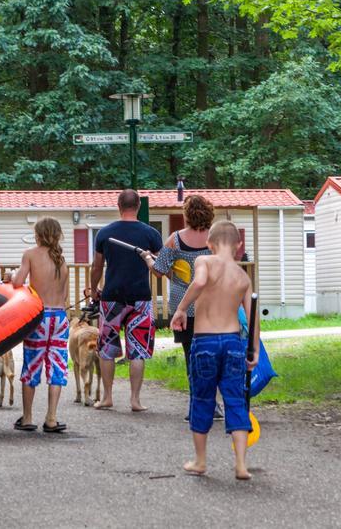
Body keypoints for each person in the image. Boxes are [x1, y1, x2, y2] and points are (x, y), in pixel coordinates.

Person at [170, 220, 259, 481]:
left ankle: (200, 461)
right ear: (238, 245)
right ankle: (241, 465)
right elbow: (253, 317)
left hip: (205, 341)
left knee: (202, 398)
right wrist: (252, 349)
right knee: (235, 399)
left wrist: (182, 308)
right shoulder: (243, 277)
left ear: (209, 243)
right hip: (232, 342)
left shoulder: (205, 262)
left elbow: (198, 283)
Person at [143, 194, 222, 420]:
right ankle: (214, 404)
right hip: (211, 304)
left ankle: (196, 404)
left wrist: (148, 259)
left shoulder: (175, 240)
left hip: (183, 307)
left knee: (191, 355)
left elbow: (159, 269)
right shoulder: (215, 239)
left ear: (187, 214)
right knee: (212, 354)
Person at [86, 189, 162, 412]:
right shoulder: (150, 234)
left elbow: (97, 266)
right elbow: (159, 265)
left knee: (107, 348)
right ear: (138, 206)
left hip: (111, 299)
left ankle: (107, 397)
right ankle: (135, 400)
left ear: (118, 205)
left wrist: (93, 290)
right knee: (137, 350)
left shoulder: (105, 234)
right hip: (141, 298)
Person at [12, 217, 70, 433]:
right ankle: (52, 418)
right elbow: (64, 296)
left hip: (39, 319)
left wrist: (11, 276)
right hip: (60, 319)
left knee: (32, 366)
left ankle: (27, 418)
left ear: (38, 235)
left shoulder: (30, 255)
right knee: (57, 366)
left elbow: (18, 282)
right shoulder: (61, 260)